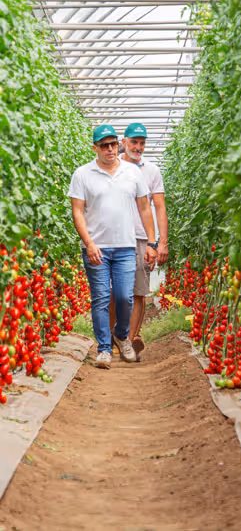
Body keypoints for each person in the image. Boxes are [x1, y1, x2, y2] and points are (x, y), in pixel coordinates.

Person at [68, 124, 157, 369]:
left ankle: (121, 335)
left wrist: (152, 242)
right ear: (95, 147)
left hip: (126, 247)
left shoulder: (132, 173)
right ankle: (104, 349)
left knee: (124, 298)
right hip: (97, 249)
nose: (110, 149)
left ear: (118, 144)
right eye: (104, 145)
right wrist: (88, 243)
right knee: (100, 299)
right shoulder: (83, 174)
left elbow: (145, 208)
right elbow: (77, 211)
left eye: (113, 144)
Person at [109, 122, 168, 358]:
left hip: (142, 238)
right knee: (114, 292)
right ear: (124, 142)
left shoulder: (151, 170)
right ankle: (115, 338)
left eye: (142, 143)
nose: (138, 147)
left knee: (138, 292)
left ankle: (130, 341)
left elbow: (160, 207)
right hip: (115, 237)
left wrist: (160, 243)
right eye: (134, 142)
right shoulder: (112, 165)